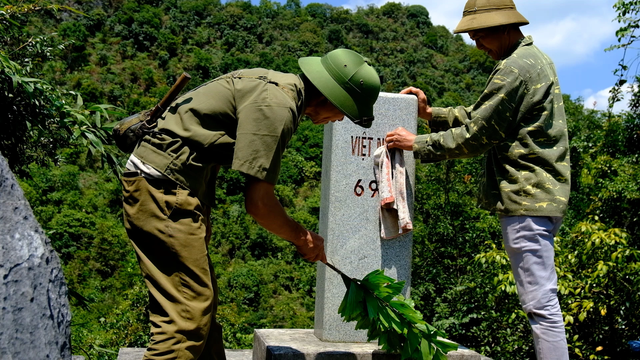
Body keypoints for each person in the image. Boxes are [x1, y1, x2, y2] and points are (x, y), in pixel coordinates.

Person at [121, 48, 381, 360]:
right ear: (328, 97)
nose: (338, 119)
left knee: (200, 307)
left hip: (171, 188)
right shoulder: (279, 106)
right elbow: (258, 203)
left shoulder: (275, 86)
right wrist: (303, 237)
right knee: (187, 317)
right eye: (343, 111)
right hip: (163, 189)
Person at [384, 1, 571, 359]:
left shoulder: (514, 68)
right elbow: (480, 116)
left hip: (527, 196)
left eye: (479, 35)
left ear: (502, 27)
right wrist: (430, 114)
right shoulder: (528, 60)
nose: (476, 44)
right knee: (540, 301)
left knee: (540, 304)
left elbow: (477, 133)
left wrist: (416, 145)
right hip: (539, 195)